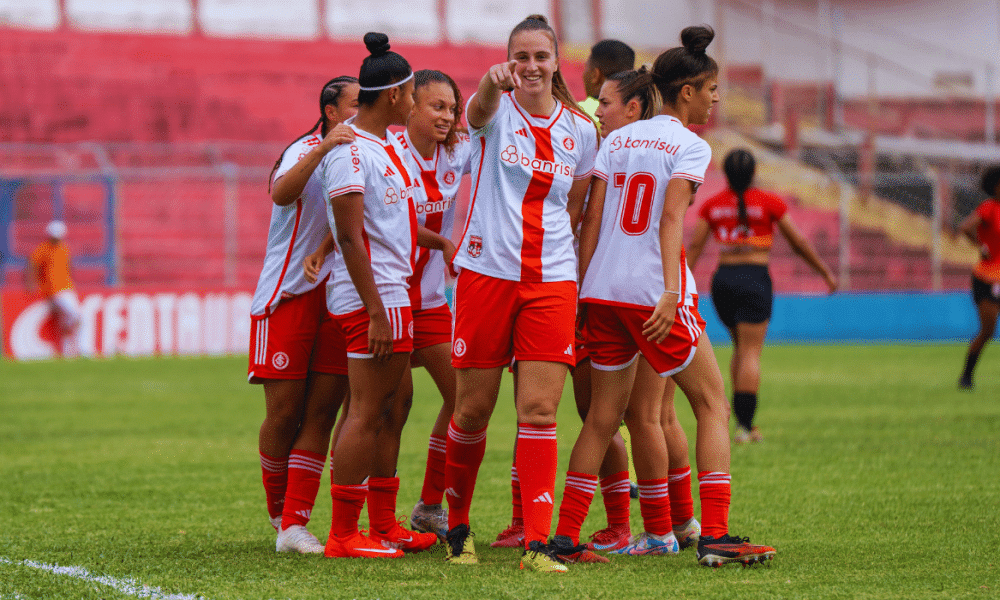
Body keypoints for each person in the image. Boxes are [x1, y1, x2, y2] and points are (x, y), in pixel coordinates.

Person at [551, 25, 776, 568]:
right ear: (687, 93)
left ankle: (562, 537)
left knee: (603, 420)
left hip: (603, 292)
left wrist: (584, 292)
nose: (716, 99)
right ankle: (715, 534)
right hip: (653, 294)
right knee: (712, 405)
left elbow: (593, 220)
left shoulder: (619, 137)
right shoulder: (692, 146)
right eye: (712, 89)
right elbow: (670, 217)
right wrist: (673, 290)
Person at [442, 14, 599, 573]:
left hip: (552, 281)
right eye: (521, 57)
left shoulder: (581, 132)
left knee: (538, 410)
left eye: (541, 57)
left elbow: (576, 208)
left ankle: (537, 543)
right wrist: (489, 82)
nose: (530, 67)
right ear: (510, 62)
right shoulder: (493, 112)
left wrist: (580, 281)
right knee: (473, 410)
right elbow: (476, 110)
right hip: (486, 276)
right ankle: (457, 529)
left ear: (557, 63)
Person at [319, 33, 444, 559]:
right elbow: (349, 235)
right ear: (395, 95)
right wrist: (375, 309)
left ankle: (384, 523)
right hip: (377, 297)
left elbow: (392, 226)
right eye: (414, 91)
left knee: (390, 406)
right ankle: (344, 535)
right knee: (366, 411)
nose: (416, 100)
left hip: (395, 292)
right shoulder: (350, 150)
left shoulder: (381, 148)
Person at [249, 76, 358, 554]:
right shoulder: (305, 148)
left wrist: (325, 247)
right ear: (332, 112)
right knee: (285, 411)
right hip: (287, 294)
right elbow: (280, 193)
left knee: (322, 410)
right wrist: (322, 149)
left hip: (337, 295)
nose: (364, 110)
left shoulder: (364, 153)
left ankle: (295, 523)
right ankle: (278, 515)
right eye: (358, 103)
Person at [687, 148, 837, 443]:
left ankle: (734, 418)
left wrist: (677, 284)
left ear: (726, 174)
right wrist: (825, 272)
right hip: (754, 279)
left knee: (740, 350)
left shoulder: (712, 205)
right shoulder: (769, 202)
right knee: (751, 353)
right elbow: (798, 243)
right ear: (754, 173)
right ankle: (746, 426)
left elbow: (694, 249)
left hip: (724, 281)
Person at [396, 69, 473, 539]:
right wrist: (444, 243)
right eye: (436, 107)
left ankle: (429, 505)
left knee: (464, 397)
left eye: (451, 108)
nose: (446, 116)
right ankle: (364, 517)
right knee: (384, 409)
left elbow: (486, 131)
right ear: (409, 106)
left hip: (427, 303)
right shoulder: (386, 153)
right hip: (382, 301)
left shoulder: (457, 152)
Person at [957, 165, 1000, 389]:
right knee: (988, 331)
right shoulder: (989, 208)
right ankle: (966, 376)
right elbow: (964, 227)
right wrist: (980, 246)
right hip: (987, 277)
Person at [26, 220, 80, 357]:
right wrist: (32, 284)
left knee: (70, 319)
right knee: (76, 316)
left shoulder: (64, 248)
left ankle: (69, 352)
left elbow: (68, 267)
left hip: (67, 287)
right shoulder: (44, 249)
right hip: (55, 290)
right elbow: (33, 265)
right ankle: (79, 349)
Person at [578, 39, 636, 121]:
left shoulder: (576, 113)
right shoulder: (638, 113)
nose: (583, 75)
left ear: (595, 75)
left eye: (586, 68)